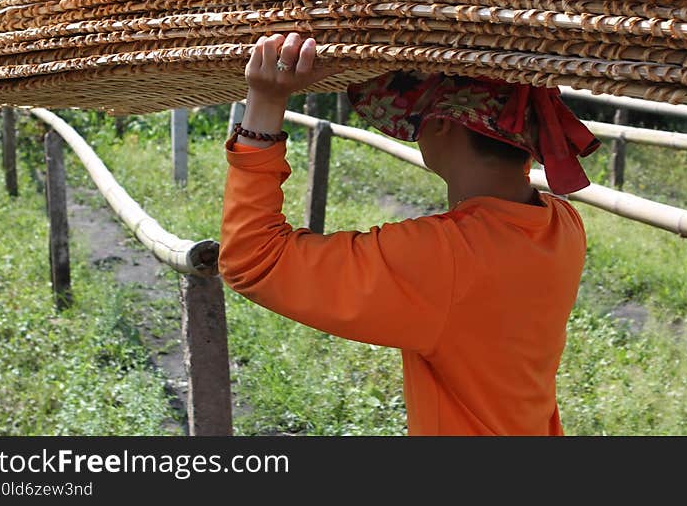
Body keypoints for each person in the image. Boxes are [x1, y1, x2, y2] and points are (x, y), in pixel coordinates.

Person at [218, 32, 600, 435]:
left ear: (442, 125)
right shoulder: (561, 224)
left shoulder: (444, 257)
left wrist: (264, 103)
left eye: (417, 118)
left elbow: (253, 258)